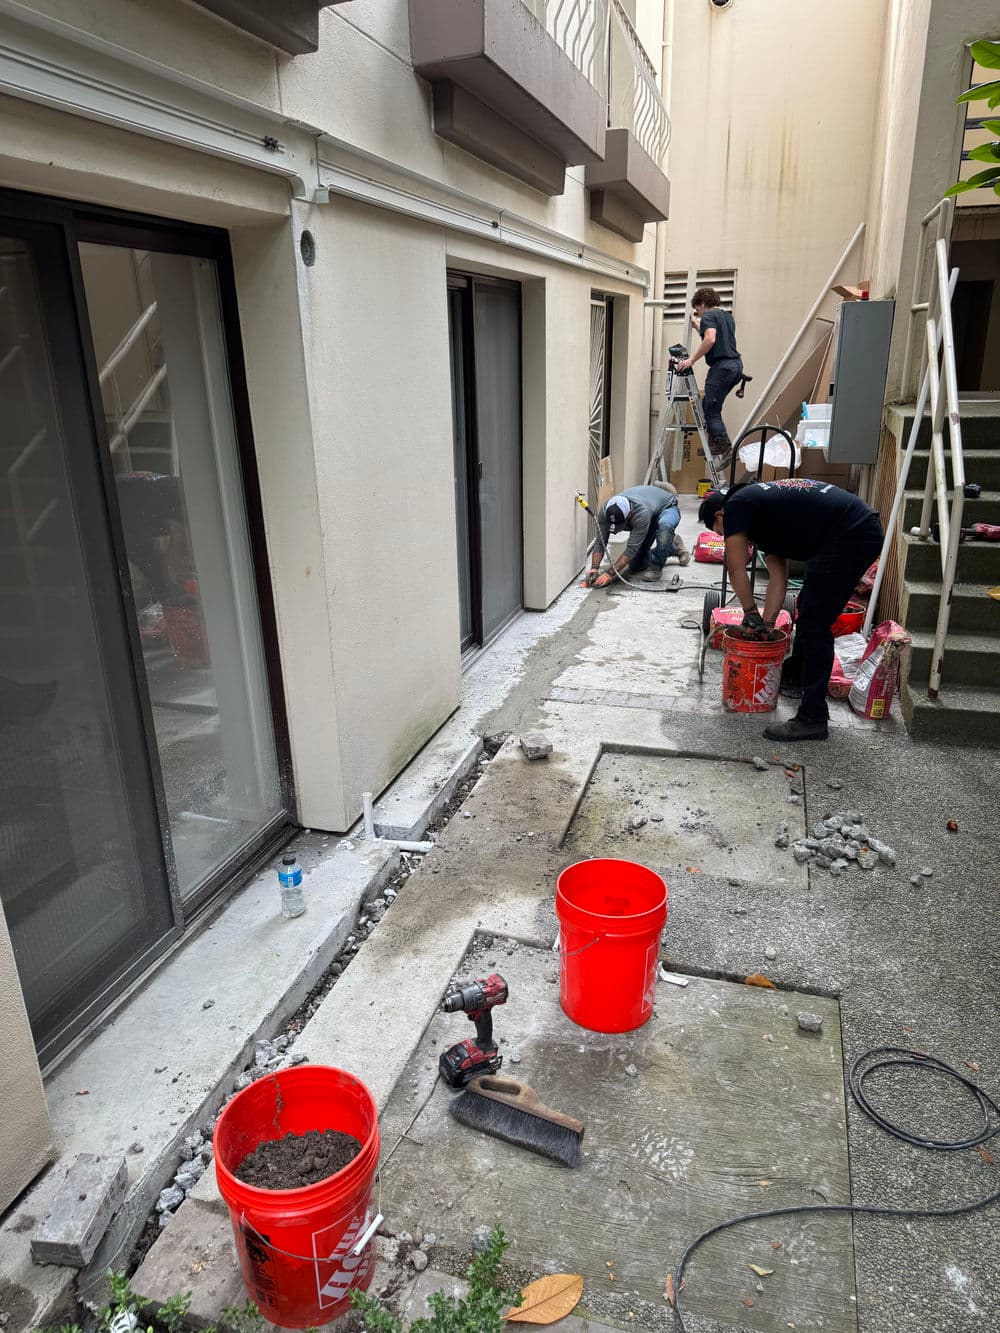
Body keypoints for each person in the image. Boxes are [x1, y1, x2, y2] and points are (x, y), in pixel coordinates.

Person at [698, 478, 884, 742]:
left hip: (850, 533)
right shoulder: (766, 516)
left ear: (720, 515)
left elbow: (736, 568)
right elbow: (778, 578)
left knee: (814, 624)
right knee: (807, 607)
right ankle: (797, 678)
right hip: (856, 529)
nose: (724, 538)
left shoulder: (737, 506)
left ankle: (813, 718)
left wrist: (750, 612)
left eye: (719, 531)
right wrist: (767, 624)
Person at [677, 287, 743, 468]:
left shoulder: (708, 316)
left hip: (721, 367)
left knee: (710, 409)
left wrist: (691, 360)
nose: (698, 313)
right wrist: (697, 325)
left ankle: (723, 446)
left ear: (703, 304)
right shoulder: (727, 317)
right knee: (712, 405)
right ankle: (717, 444)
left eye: (697, 309)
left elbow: (710, 339)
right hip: (735, 366)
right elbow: (714, 336)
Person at [587, 485, 689, 587]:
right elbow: (600, 542)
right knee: (636, 565)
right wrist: (594, 568)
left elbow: (632, 548)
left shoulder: (641, 513)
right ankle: (671, 547)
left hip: (666, 507)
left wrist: (609, 574)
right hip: (650, 510)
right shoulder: (605, 512)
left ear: (630, 514)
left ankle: (657, 565)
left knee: (665, 526)